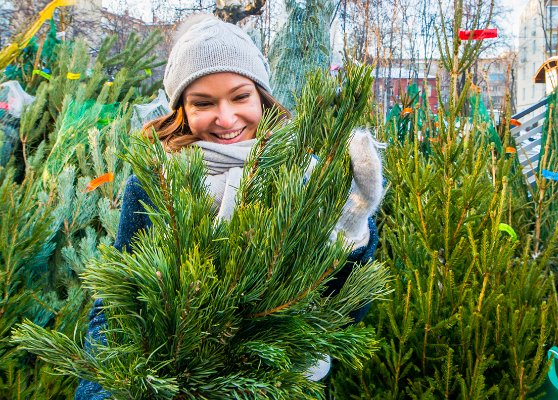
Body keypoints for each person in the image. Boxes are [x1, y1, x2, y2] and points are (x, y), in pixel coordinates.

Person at [75, 14, 383, 399]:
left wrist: (350, 232)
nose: (226, 118)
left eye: (240, 96)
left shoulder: (302, 176)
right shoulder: (157, 180)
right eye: (203, 103)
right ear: (181, 110)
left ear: (262, 96)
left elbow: (341, 315)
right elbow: (116, 306)